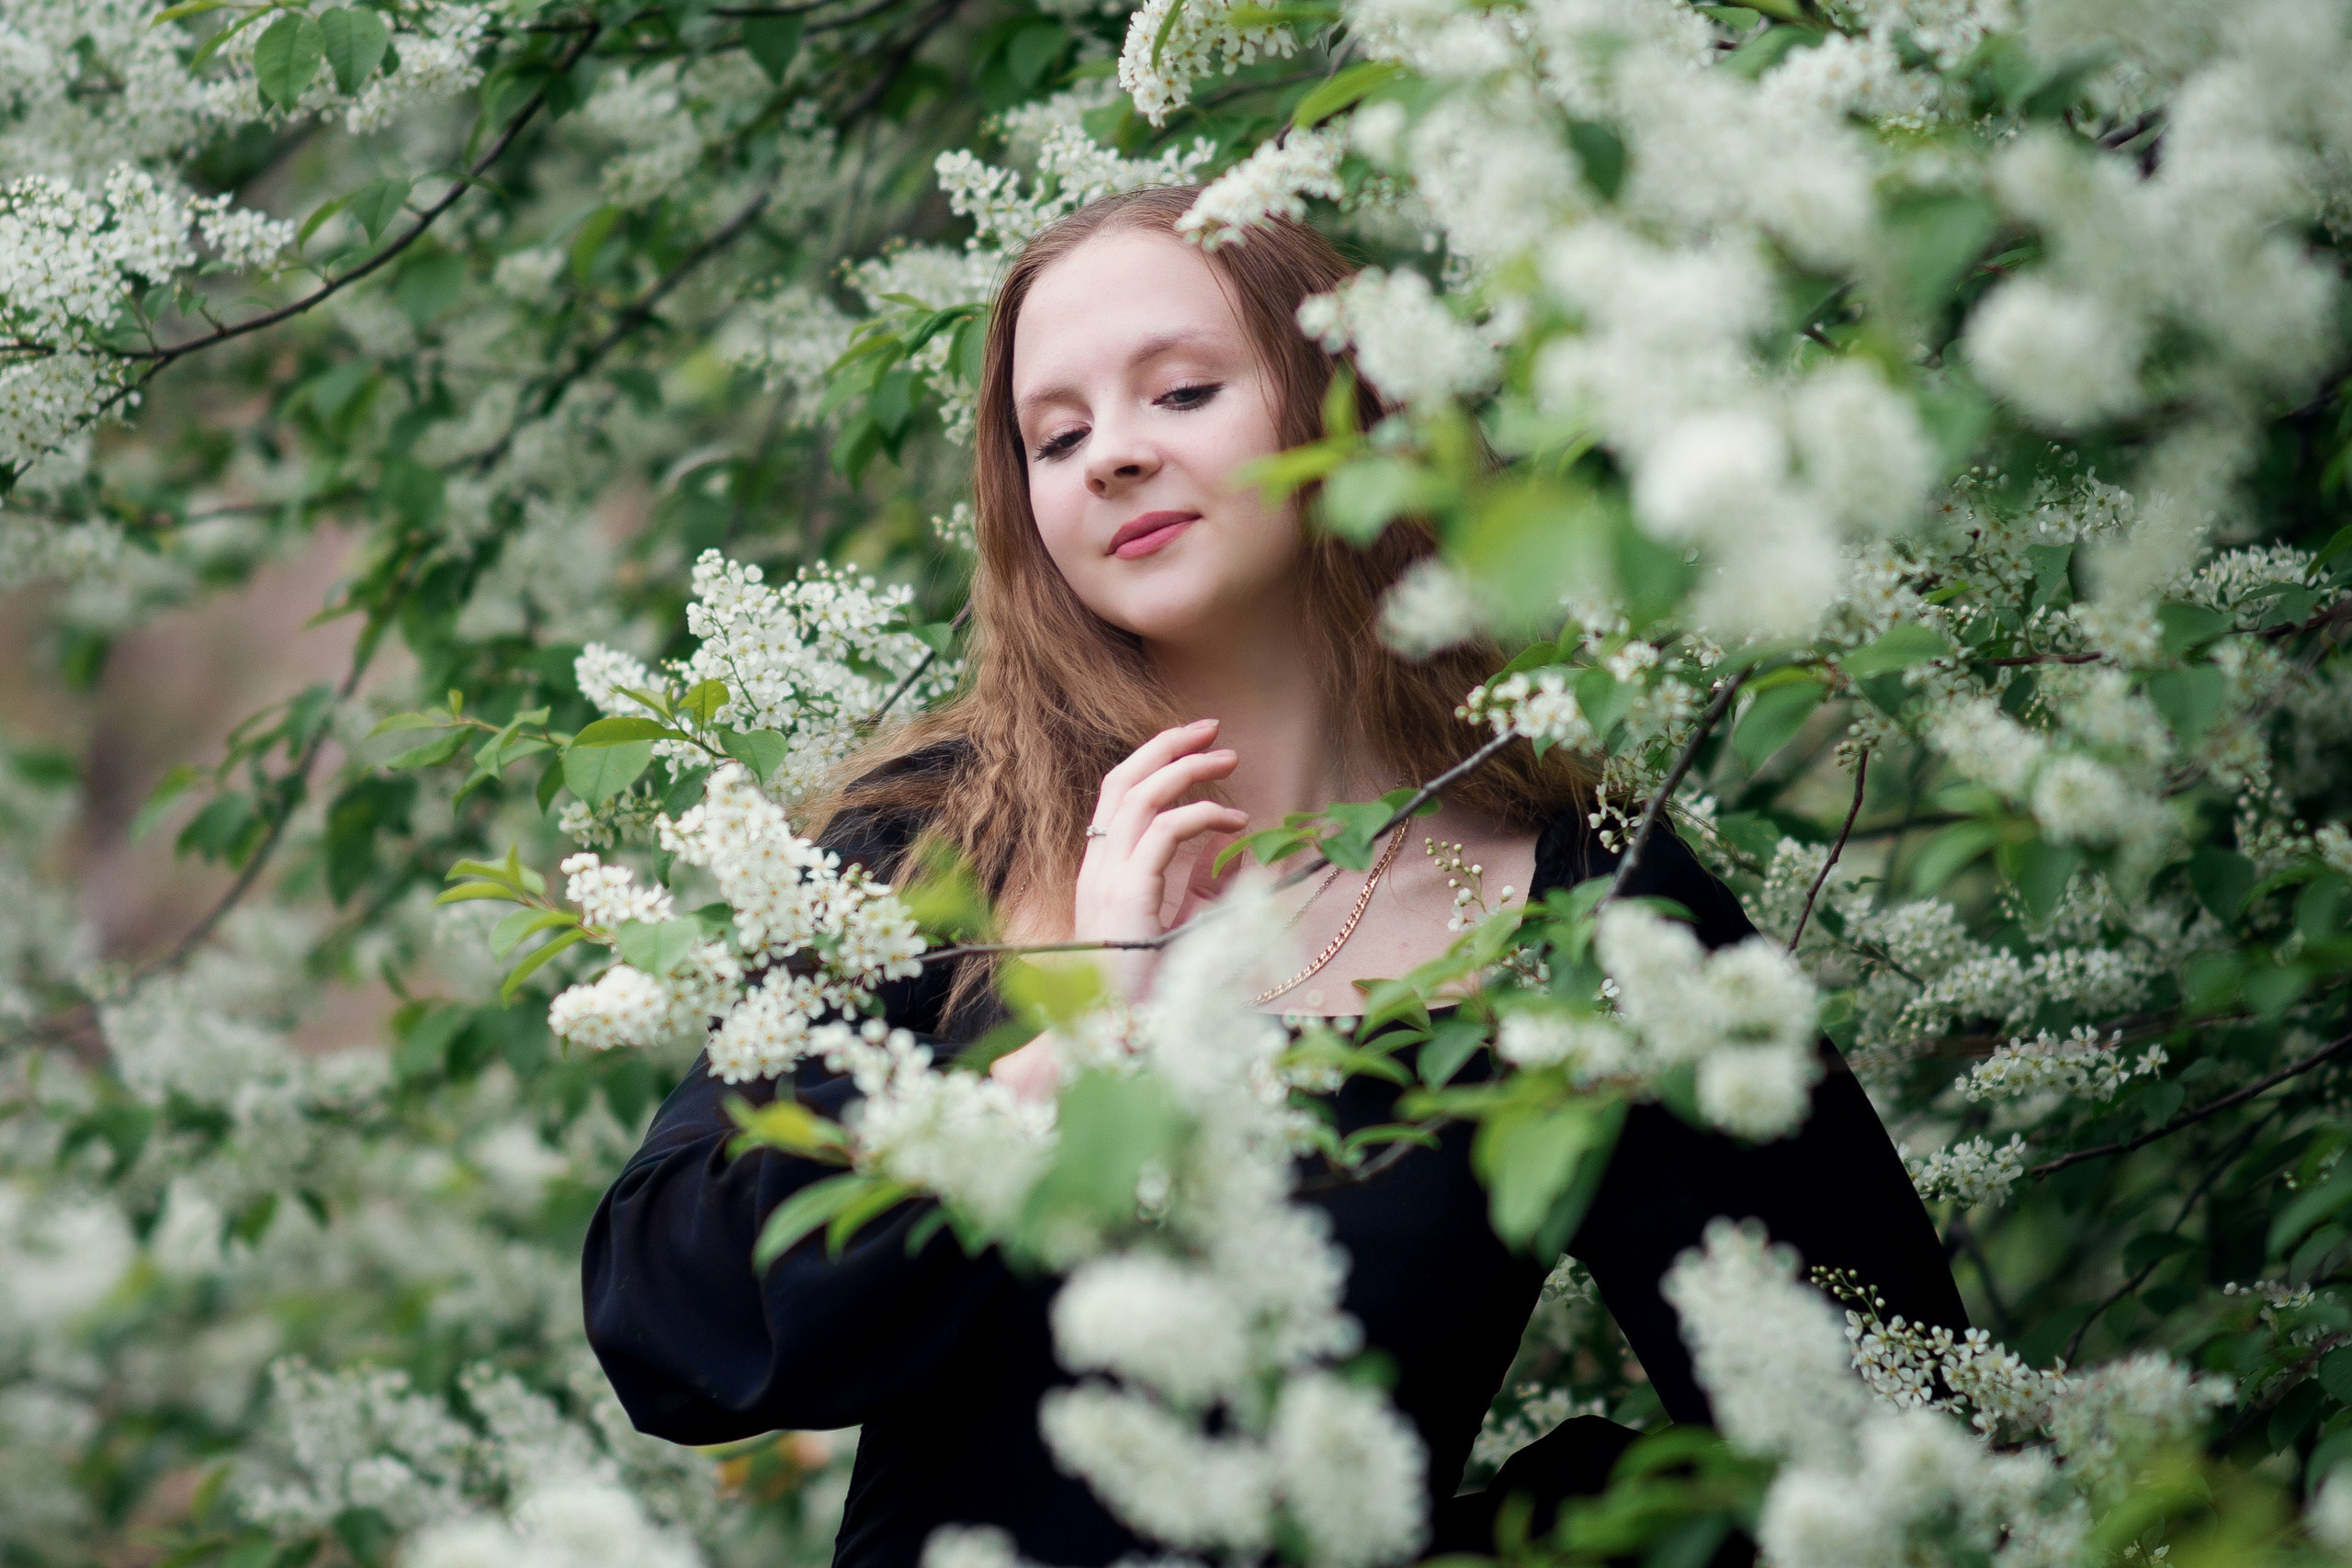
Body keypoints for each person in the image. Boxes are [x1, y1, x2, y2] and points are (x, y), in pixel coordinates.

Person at [582, 186, 1966, 1568]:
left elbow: (1886, 1425)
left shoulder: (1584, 915)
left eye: (1182, 392)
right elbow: (666, 1325)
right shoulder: (933, 848)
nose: (1114, 456)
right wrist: (1065, 1051)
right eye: (1056, 437)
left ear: (1339, 411)